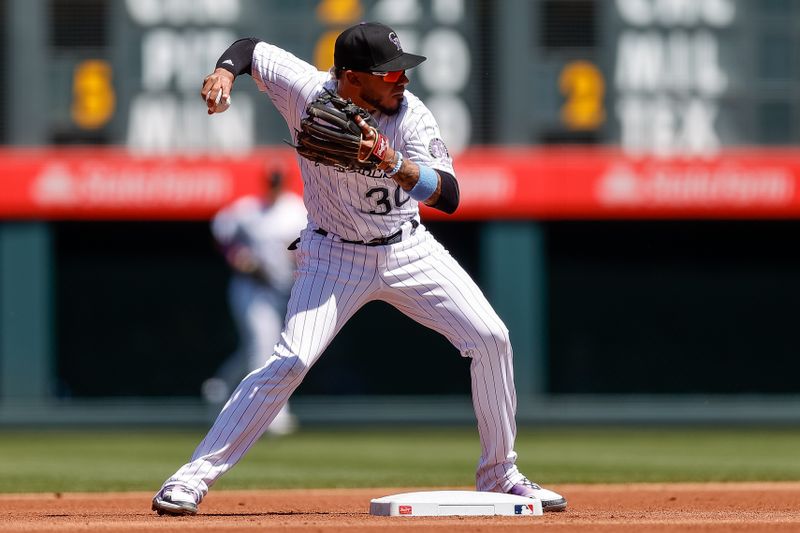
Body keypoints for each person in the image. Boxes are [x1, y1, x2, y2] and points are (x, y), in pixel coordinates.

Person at [152, 21, 567, 516]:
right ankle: (189, 480)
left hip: (408, 249)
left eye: (401, 70)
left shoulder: (412, 117)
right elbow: (248, 49)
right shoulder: (307, 90)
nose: (403, 80)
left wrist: (390, 161)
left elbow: (450, 197)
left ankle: (501, 475)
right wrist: (223, 73)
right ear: (351, 77)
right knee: (290, 361)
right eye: (389, 74)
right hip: (333, 255)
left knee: (492, 338)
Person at [202, 167, 307, 436]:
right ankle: (273, 417)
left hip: (288, 289)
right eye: (271, 181)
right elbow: (220, 233)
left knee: (261, 349)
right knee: (264, 345)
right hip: (252, 288)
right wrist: (238, 256)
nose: (274, 185)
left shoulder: (297, 210)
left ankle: (221, 387)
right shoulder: (248, 210)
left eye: (278, 181)